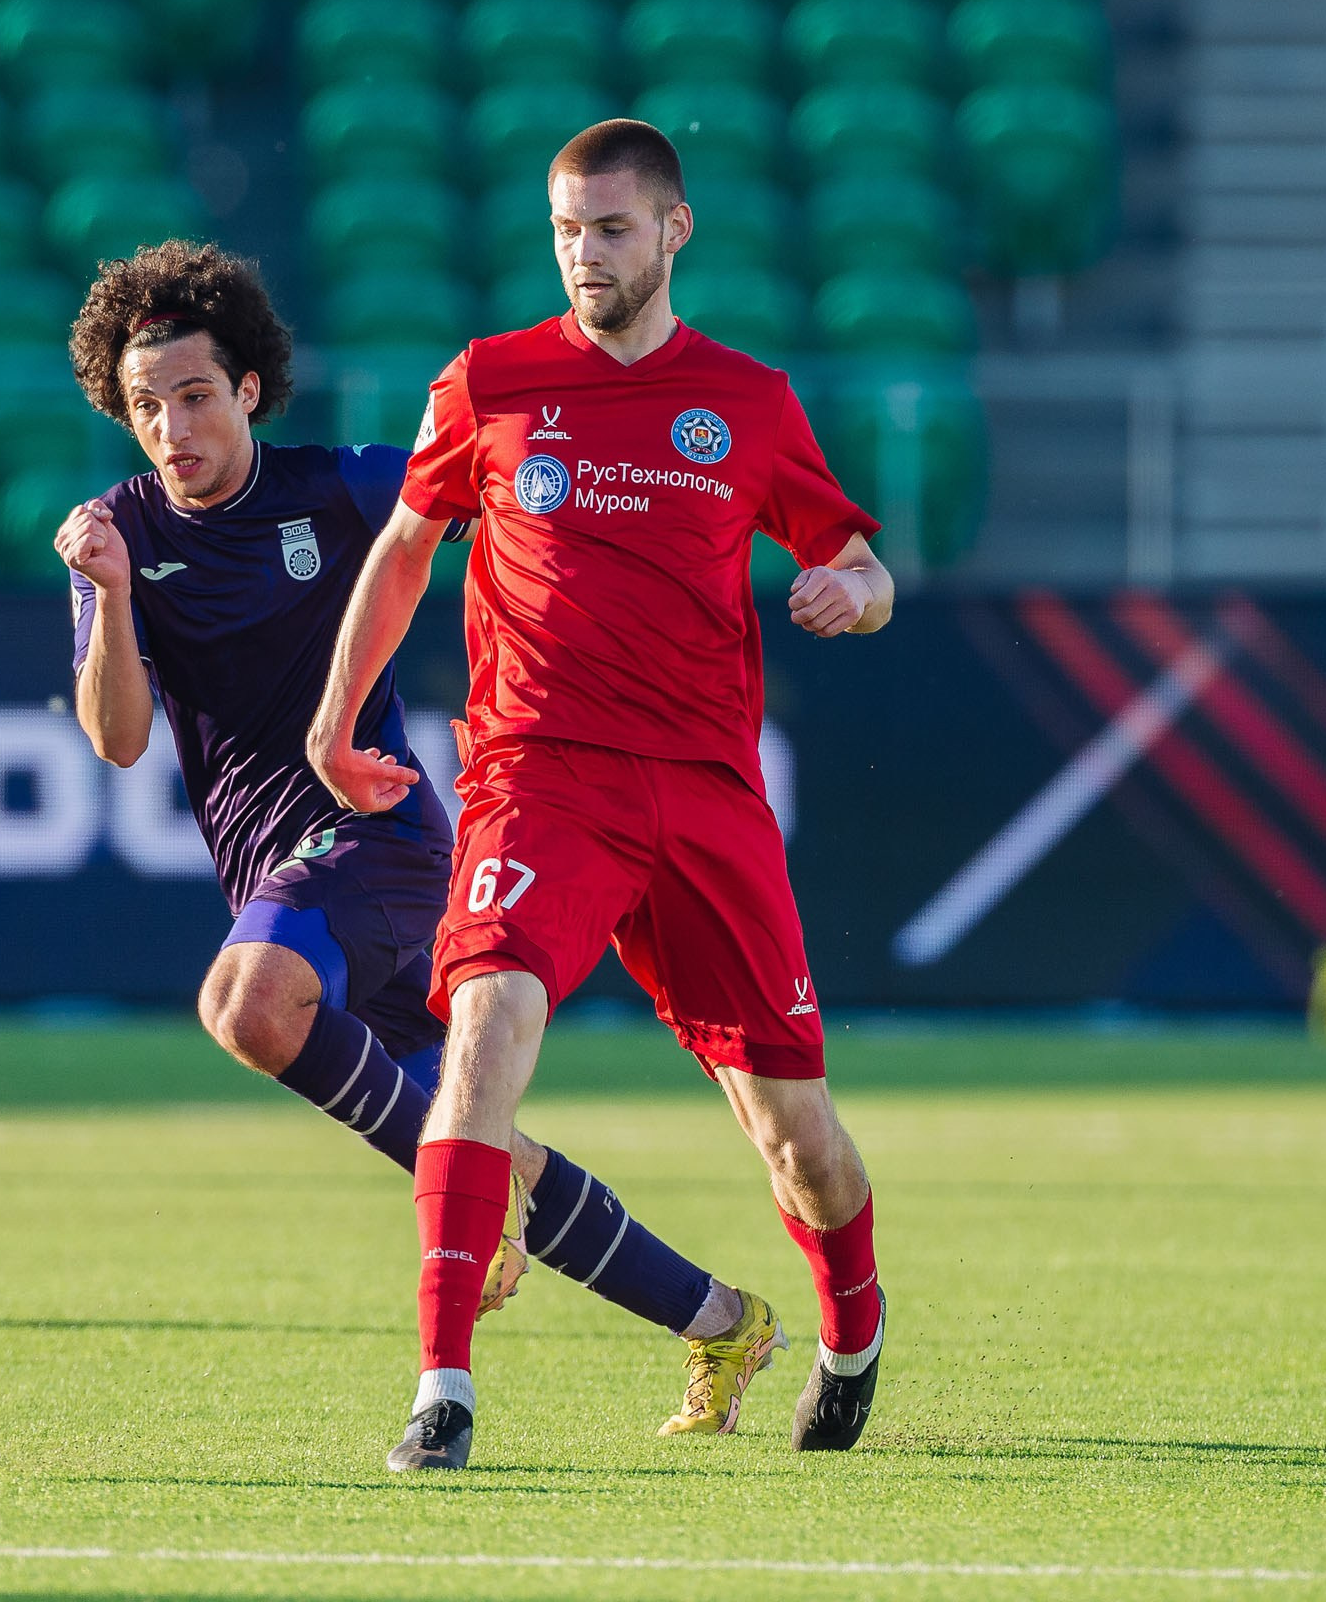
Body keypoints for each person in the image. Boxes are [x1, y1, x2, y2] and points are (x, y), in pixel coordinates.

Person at [55, 239, 790, 1432]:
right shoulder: (114, 537)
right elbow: (116, 737)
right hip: (292, 888)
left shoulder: (340, 485)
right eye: (145, 406)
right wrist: (115, 594)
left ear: (246, 388)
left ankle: (491, 1219)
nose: (171, 427)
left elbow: (505, 501)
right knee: (473, 1141)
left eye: (193, 395)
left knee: (246, 1005)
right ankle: (722, 1319)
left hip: (378, 841)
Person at [307, 121, 896, 1474]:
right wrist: (335, 720)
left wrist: (849, 596)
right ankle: (442, 1390)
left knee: (793, 1134)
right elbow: (407, 548)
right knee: (484, 1037)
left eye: (614, 230)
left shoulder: (745, 401)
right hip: (539, 776)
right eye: (568, 231)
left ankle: (851, 1338)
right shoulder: (493, 382)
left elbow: (863, 564)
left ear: (676, 230)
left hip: (703, 796)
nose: (587, 255)